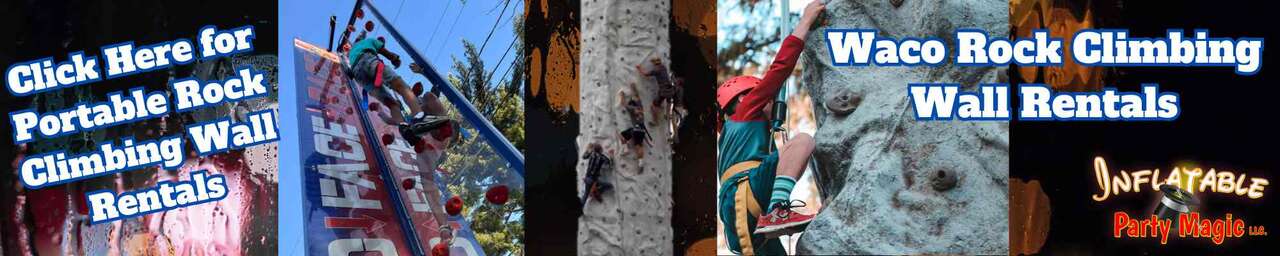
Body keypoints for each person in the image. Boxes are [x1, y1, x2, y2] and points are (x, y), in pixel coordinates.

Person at [717, 1, 823, 254]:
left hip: (743, 207)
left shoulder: (740, 135)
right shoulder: (744, 112)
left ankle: (775, 212)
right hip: (744, 193)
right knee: (802, 142)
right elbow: (780, 69)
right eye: (763, 96)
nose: (771, 100)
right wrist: (805, 22)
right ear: (743, 98)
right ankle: (778, 209)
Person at [345, 36, 456, 245]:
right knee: (428, 185)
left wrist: (390, 118)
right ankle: (444, 227)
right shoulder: (428, 150)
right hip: (431, 139)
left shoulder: (428, 102)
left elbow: (433, 93)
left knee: (423, 100)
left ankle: (417, 121)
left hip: (432, 134)